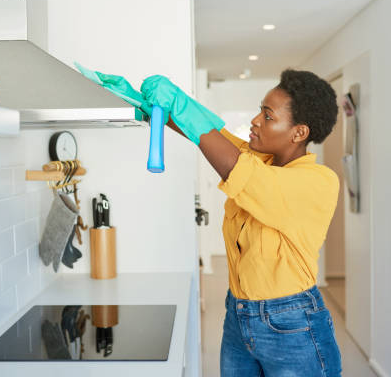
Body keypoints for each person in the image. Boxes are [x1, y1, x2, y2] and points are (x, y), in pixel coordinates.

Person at [93, 68, 342, 376]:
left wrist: (179, 104)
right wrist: (142, 101)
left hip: (293, 326)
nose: (255, 121)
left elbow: (232, 163)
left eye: (267, 116)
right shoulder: (260, 159)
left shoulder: (317, 181)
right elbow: (211, 132)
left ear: (299, 132)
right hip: (239, 316)